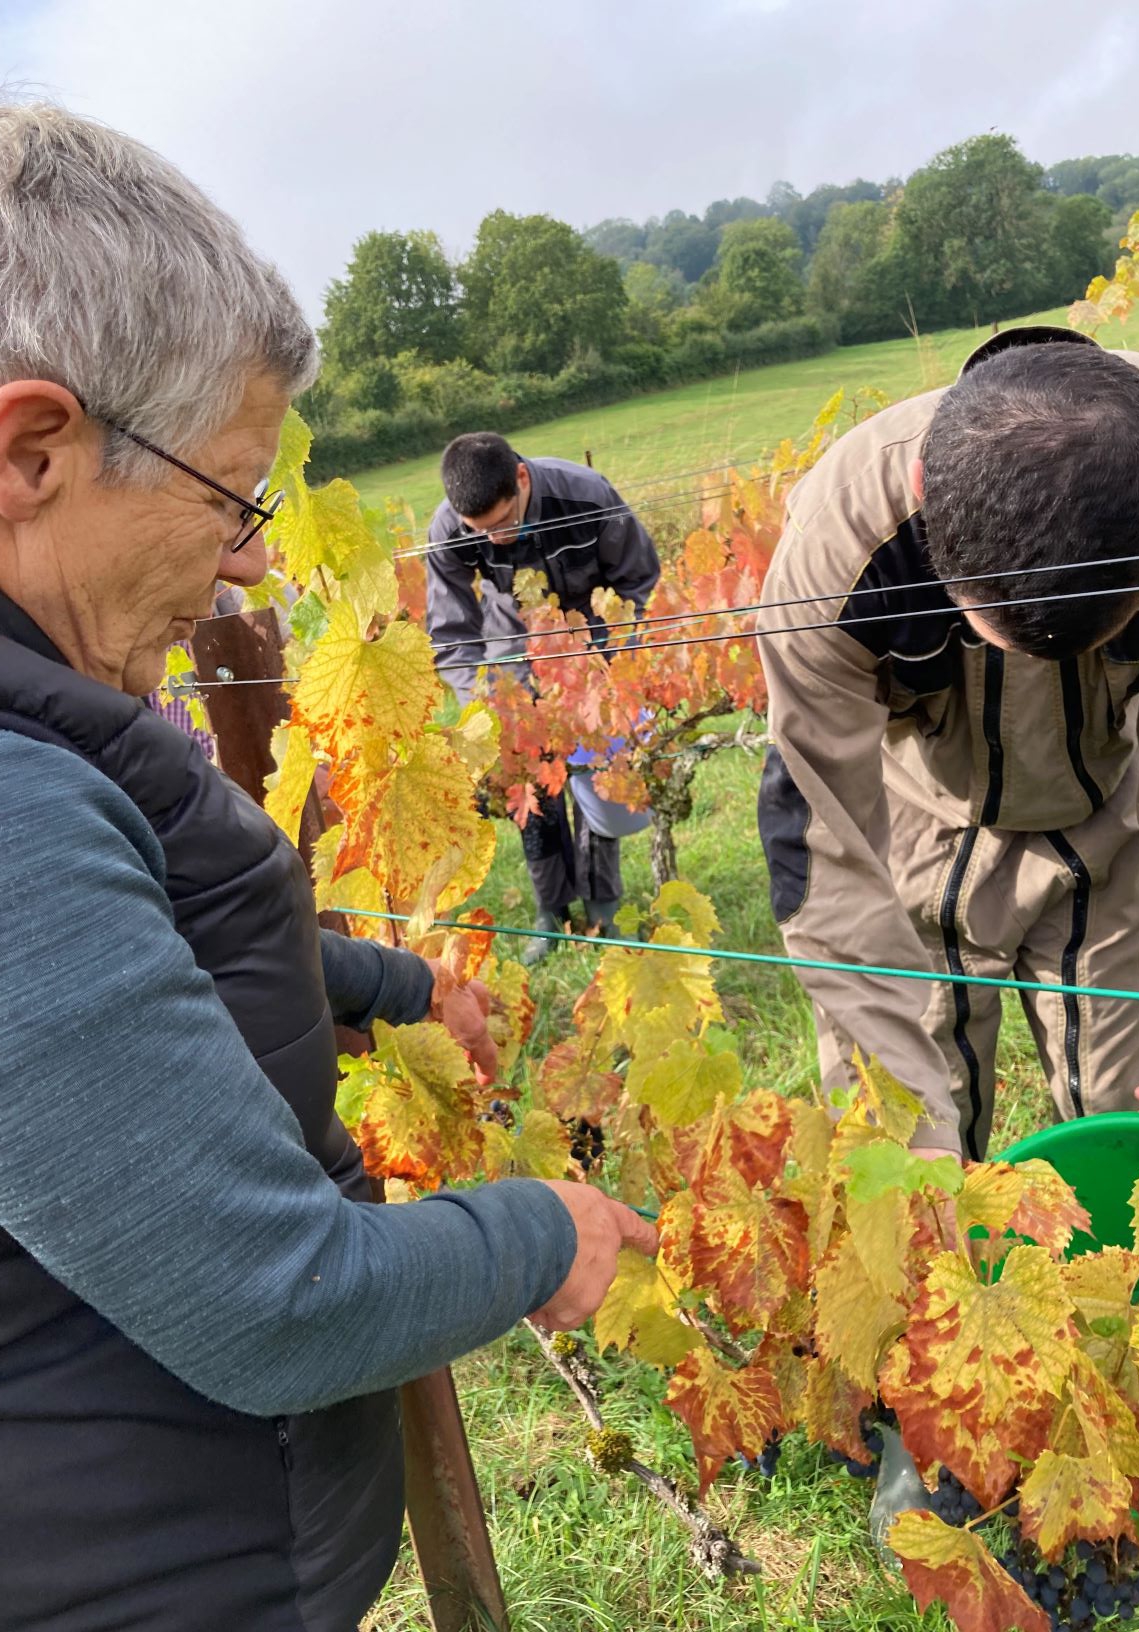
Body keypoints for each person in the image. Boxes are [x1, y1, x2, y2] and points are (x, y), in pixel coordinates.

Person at [0, 102, 656, 1632]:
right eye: (231, 494)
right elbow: (274, 1302)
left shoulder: (45, 719)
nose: (251, 561)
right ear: (33, 450)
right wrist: (541, 1230)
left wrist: (392, 978)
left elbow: (127, 954)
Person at [757, 326, 1139, 1164]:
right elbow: (823, 853)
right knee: (921, 1118)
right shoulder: (838, 551)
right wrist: (904, 1134)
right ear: (922, 489)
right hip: (918, 821)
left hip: (1118, 816)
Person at [425, 432, 660, 962]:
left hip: (596, 655)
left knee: (601, 782)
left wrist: (616, 673)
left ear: (522, 480)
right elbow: (451, 632)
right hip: (516, 660)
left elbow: (641, 583)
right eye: (480, 531)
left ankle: (603, 909)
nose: (496, 539)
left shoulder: (588, 495)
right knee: (535, 794)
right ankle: (551, 914)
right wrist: (483, 703)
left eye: (503, 523)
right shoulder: (449, 529)